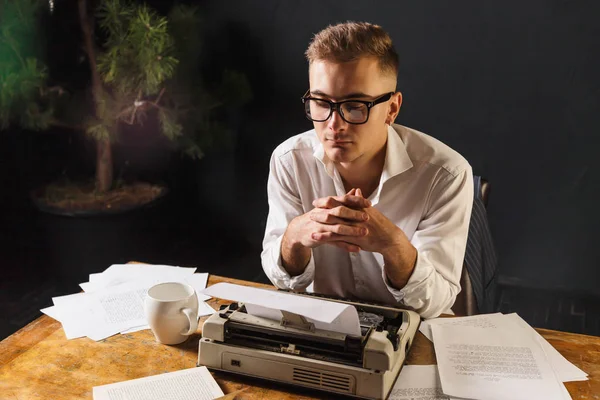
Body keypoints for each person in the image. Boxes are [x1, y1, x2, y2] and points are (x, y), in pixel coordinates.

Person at [261, 21, 473, 319]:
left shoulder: (447, 173)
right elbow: (282, 280)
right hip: (321, 332)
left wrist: (393, 245)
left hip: (411, 334)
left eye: (355, 105)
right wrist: (294, 236)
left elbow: (437, 302)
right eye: (321, 102)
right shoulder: (289, 160)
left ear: (392, 109)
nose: (334, 124)